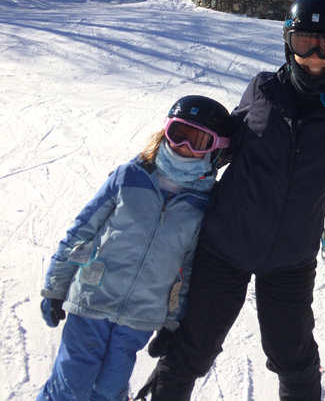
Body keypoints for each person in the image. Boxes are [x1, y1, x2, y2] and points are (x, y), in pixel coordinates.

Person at [139, 0, 325, 401]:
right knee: (191, 350)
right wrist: (152, 172)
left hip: (289, 260)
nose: (314, 57)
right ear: (288, 42)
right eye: (304, 43)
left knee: (292, 358)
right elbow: (218, 147)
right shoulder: (262, 90)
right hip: (224, 245)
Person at [36, 95, 233, 401]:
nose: (186, 147)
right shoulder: (130, 176)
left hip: (142, 314)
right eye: (179, 134)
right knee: (71, 384)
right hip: (92, 297)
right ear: (166, 131)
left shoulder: (201, 204)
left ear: (216, 149)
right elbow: (82, 230)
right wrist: (55, 287)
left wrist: (171, 320)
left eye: (199, 142)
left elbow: (188, 268)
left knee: (109, 389)